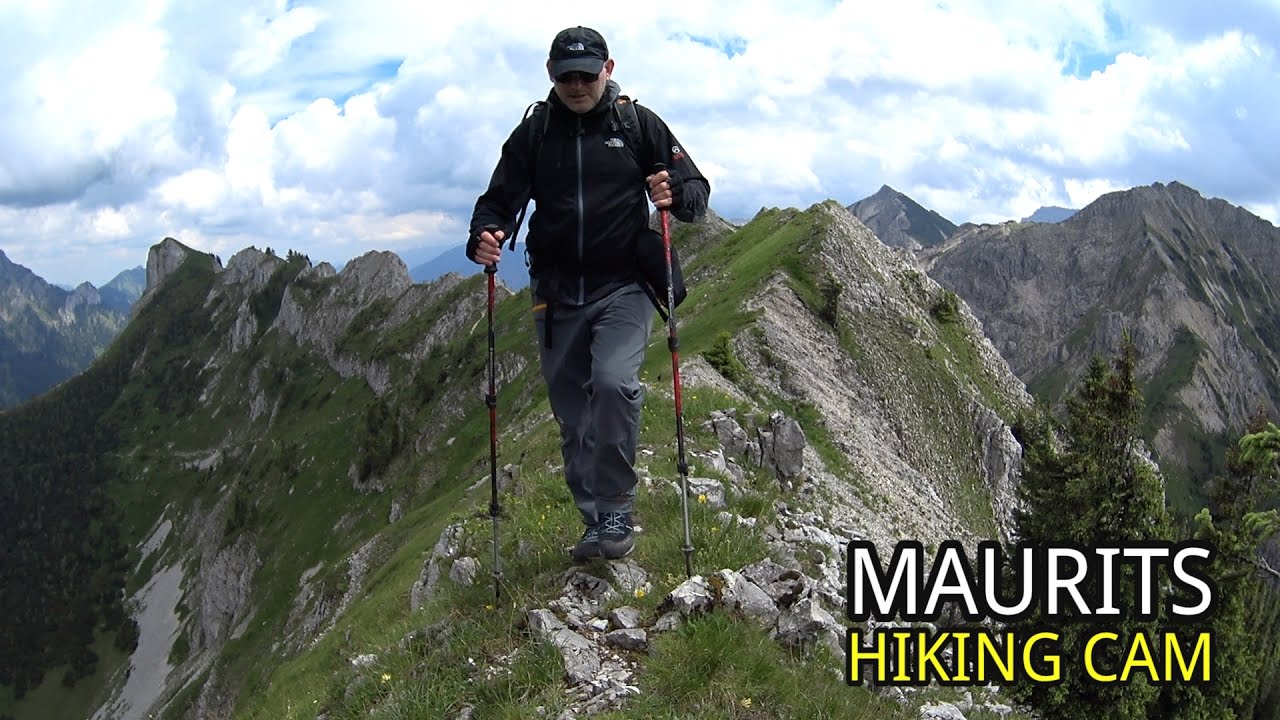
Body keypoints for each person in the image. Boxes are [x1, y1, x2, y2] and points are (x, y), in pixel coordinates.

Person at [467, 26, 710, 562]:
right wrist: (483, 236)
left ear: (608, 68)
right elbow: (497, 201)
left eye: (586, 74)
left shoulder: (638, 124)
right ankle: (595, 520)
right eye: (565, 76)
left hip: (624, 285)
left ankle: (618, 507)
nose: (576, 85)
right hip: (554, 295)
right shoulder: (534, 134)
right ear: (550, 75)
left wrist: (672, 193)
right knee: (573, 416)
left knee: (613, 384)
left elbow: (697, 193)